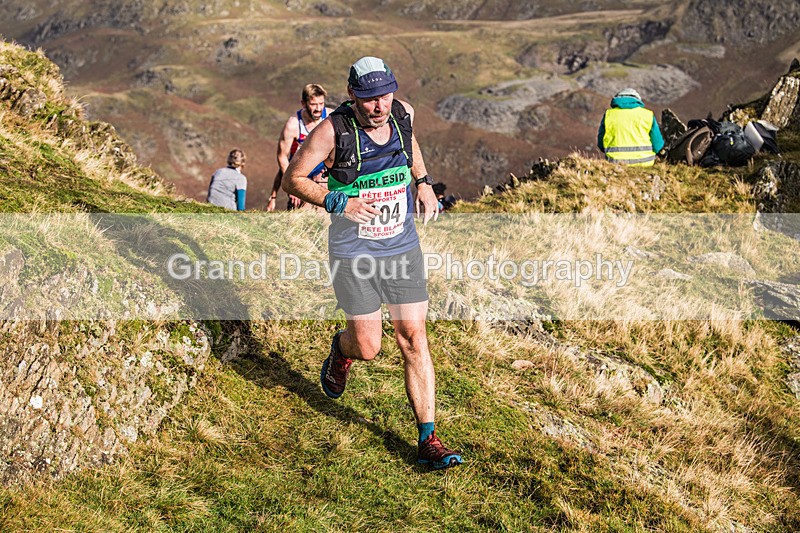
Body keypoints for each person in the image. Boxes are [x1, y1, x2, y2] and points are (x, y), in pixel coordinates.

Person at [283, 56, 462, 470]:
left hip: (401, 247)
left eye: (384, 95)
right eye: (368, 99)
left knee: (413, 337)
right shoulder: (332, 131)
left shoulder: (402, 114)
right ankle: (341, 351)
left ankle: (428, 439)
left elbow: (409, 143)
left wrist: (423, 183)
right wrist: (337, 200)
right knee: (368, 346)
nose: (379, 106)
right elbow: (295, 177)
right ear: (352, 95)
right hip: (353, 252)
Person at [267, 83, 334, 211]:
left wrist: (328, 170)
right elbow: (282, 156)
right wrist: (292, 185)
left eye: (321, 103)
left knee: (325, 216)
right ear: (303, 103)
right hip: (301, 176)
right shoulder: (293, 125)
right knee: (300, 218)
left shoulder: (331, 118)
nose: (318, 108)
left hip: (324, 175)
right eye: (313, 104)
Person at [597, 88, 665, 167]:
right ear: (637, 100)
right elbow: (658, 143)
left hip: (615, 163)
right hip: (645, 162)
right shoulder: (647, 115)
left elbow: (601, 142)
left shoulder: (609, 115)